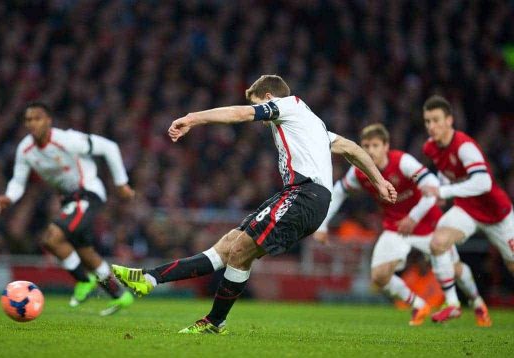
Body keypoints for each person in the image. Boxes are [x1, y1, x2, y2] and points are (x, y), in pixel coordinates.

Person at [111, 75, 397, 334]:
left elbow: (240, 113)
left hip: (305, 195)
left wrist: (192, 118)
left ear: (270, 98)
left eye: (259, 104)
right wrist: (380, 180)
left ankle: (215, 322)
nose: (261, 116)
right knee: (226, 246)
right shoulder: (314, 125)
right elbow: (351, 148)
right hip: (298, 195)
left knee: (240, 251)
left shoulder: (288, 106)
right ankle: (148, 279)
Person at [314, 123, 490, 327]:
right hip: (396, 227)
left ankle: (477, 303)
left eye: (375, 145)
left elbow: (432, 185)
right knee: (379, 276)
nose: (370, 151)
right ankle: (418, 304)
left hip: (427, 224)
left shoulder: (403, 162)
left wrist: (414, 216)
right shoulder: (359, 172)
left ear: (386, 146)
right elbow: (339, 191)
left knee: (456, 270)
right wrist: (322, 225)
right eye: (366, 146)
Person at [0, 102, 134, 316]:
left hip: (87, 192)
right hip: (69, 201)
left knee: (52, 238)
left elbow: (109, 147)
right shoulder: (26, 149)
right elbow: (18, 181)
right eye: (28, 119)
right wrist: (9, 197)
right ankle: (120, 296)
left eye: (37, 118)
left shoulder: (67, 140)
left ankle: (83, 281)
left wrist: (121, 183)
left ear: (48, 121)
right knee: (86, 253)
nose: (32, 123)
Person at [420, 95, 514, 323]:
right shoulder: (431, 148)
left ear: (449, 120)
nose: (431, 126)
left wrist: (444, 192)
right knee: (438, 243)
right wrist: (442, 186)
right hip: (467, 210)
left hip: (497, 214)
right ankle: (453, 303)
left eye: (436, 120)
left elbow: (484, 183)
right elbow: (445, 170)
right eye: (427, 121)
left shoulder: (464, 146)